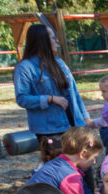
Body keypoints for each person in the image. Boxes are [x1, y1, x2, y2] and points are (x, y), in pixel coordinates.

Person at [14, 24, 91, 158]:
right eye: (53, 37)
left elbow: (75, 93)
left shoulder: (59, 63)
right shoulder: (25, 68)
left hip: (74, 125)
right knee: (60, 169)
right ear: (42, 40)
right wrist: (49, 98)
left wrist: (85, 118)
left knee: (84, 165)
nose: (57, 41)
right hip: (49, 129)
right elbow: (22, 98)